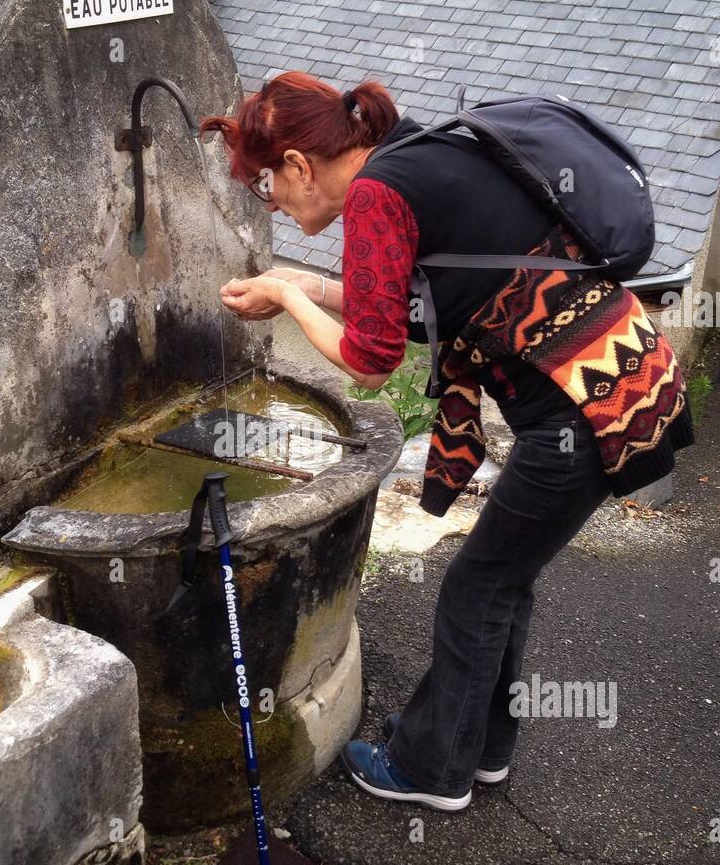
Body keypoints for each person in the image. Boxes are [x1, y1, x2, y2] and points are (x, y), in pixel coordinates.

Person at [199, 71, 694, 813]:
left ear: (299, 165)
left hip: (585, 412)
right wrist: (290, 284)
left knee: (476, 587)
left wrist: (291, 296)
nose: (273, 202)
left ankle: (432, 769)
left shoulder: (375, 195)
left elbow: (370, 361)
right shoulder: (414, 157)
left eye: (268, 185)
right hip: (626, 378)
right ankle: (482, 748)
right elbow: (407, 308)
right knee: (503, 579)